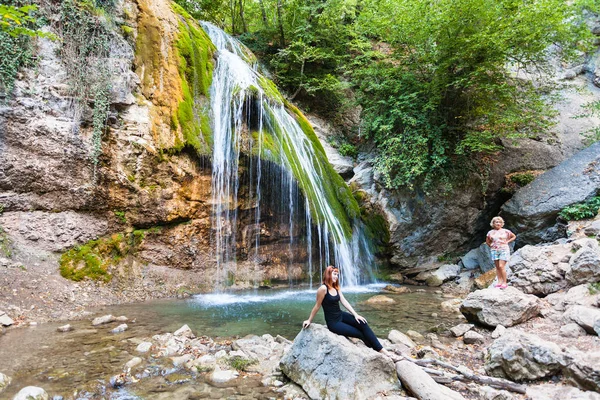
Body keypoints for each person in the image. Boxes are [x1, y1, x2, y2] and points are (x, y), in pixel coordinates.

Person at [302, 265, 399, 360]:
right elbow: (317, 306)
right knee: (359, 333)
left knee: (362, 323)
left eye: (337, 274)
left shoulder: (336, 287)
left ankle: (381, 349)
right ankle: (380, 351)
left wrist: (356, 315)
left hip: (341, 315)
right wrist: (309, 320)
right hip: (334, 323)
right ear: (328, 274)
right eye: (334, 274)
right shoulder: (323, 289)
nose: (336, 276)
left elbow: (344, 301)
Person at [486, 216, 516, 289]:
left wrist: (507, 241)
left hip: (504, 250)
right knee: (497, 267)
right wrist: (492, 246)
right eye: (496, 222)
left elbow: (513, 236)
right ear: (493, 223)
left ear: (502, 223)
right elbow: (487, 241)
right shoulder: (490, 232)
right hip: (494, 250)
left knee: (501, 266)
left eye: (499, 222)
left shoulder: (506, 231)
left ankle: (504, 282)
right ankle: (499, 282)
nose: (498, 223)